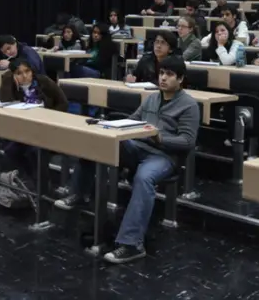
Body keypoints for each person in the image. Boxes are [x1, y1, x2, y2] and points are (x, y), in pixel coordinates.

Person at [56, 57, 200, 265]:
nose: (163, 78)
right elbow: (133, 120)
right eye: (161, 73)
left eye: (169, 75)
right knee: (98, 144)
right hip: (138, 147)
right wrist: (109, 125)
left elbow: (187, 141)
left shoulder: (189, 105)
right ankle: (79, 193)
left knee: (144, 178)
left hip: (164, 156)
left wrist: (161, 138)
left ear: (181, 79)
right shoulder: (151, 98)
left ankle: (132, 245)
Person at [0, 59, 69, 209]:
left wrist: (50, 117)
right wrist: (10, 79)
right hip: (23, 133)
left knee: (34, 152)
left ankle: (42, 191)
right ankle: (31, 186)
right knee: (11, 151)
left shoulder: (44, 82)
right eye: (19, 73)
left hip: (48, 130)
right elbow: (5, 101)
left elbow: (63, 103)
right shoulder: (12, 86)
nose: (24, 76)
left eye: (27, 71)